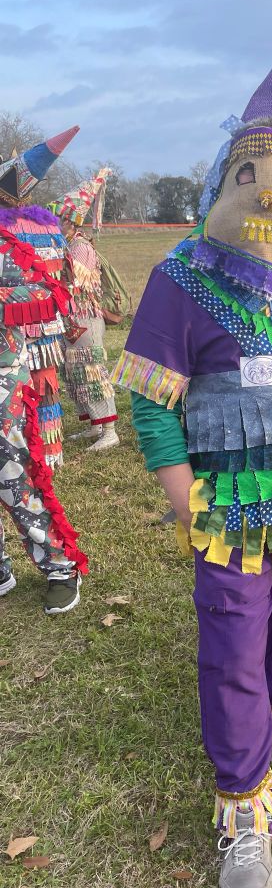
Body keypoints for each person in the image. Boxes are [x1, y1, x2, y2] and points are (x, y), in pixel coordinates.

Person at [114, 34, 272, 888]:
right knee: (232, 644)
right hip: (226, 506)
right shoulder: (180, 276)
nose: (267, 187)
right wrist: (185, 494)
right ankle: (243, 810)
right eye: (248, 169)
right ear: (223, 178)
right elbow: (148, 396)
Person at [0, 128, 89, 613]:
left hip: (2, 360)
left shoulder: (23, 235)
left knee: (9, 462)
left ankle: (58, 562)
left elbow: (41, 293)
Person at [49, 168, 120, 452]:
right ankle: (94, 424)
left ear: (70, 221)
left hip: (86, 318)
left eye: (59, 219)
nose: (55, 223)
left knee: (91, 370)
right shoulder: (68, 245)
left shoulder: (80, 248)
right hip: (72, 318)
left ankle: (110, 430)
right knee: (76, 372)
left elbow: (77, 283)